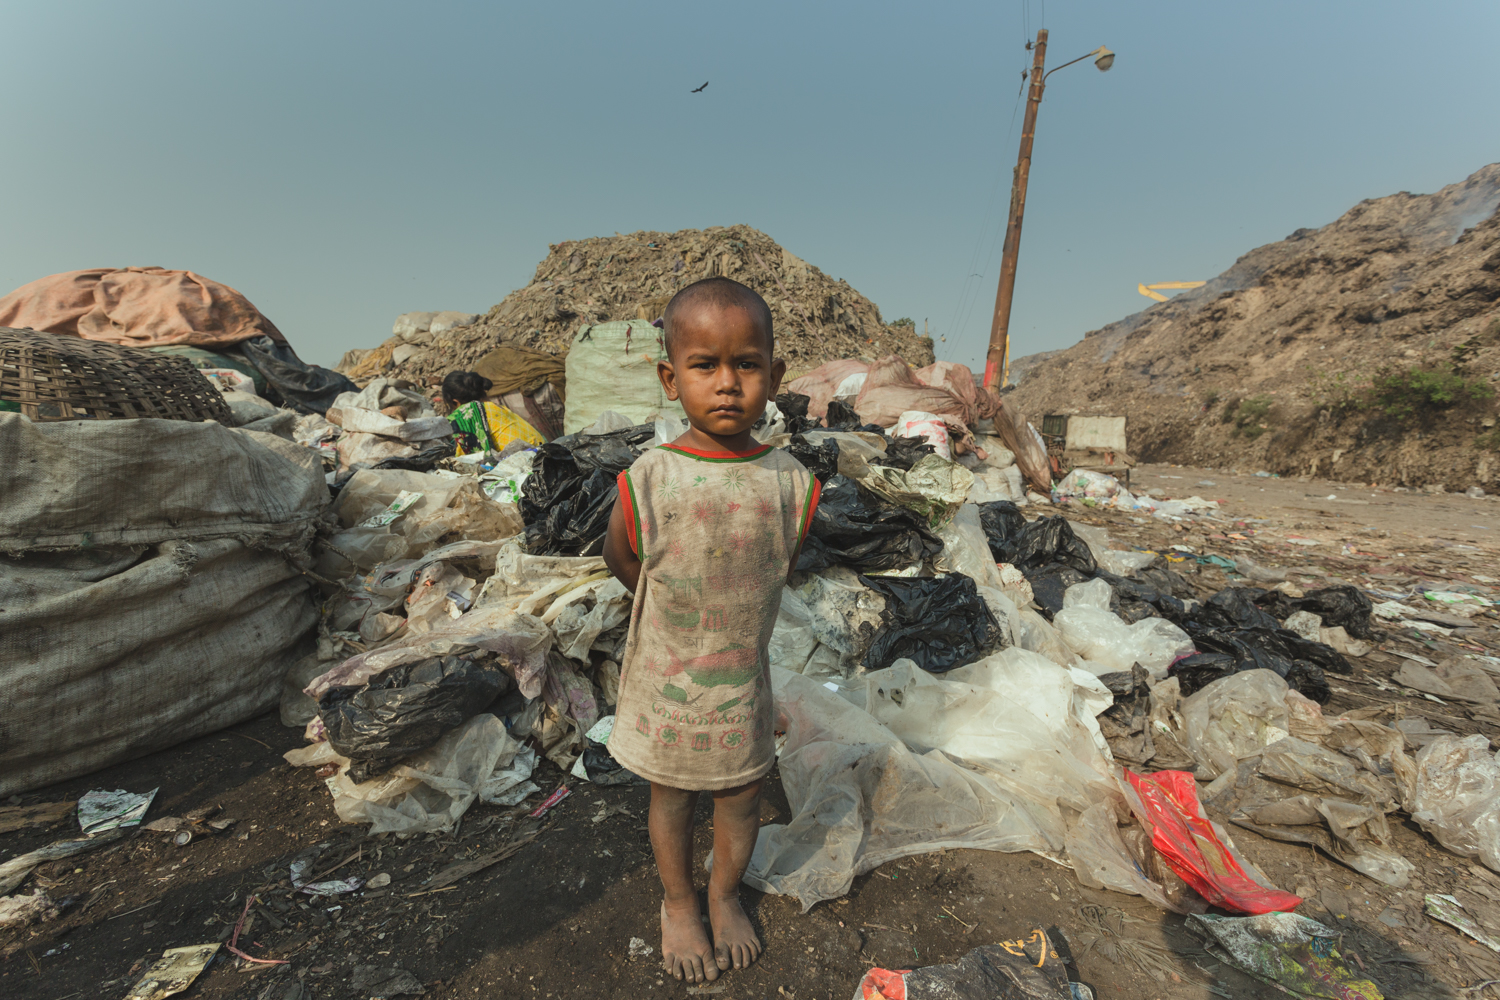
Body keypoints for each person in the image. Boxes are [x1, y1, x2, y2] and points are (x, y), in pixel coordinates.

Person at [602, 277, 820, 985]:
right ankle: (677, 902)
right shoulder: (652, 477)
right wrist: (665, 606)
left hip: (741, 689)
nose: (727, 384)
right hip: (669, 687)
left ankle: (723, 893)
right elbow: (620, 553)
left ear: (775, 377)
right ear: (671, 378)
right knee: (671, 796)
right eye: (704, 366)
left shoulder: (790, 483)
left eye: (747, 364)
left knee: (742, 797)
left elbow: (779, 566)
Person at [440, 370, 543, 455]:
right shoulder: (496, 407)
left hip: (527, 458)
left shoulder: (464, 415)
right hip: (541, 449)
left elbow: (467, 459)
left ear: (455, 402)